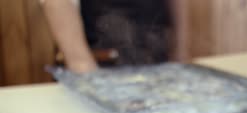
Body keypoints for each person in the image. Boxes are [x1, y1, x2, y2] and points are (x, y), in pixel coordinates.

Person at [41, 0, 172, 73]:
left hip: (160, 65)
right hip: (97, 64)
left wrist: (181, 55)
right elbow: (57, 3)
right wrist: (84, 69)